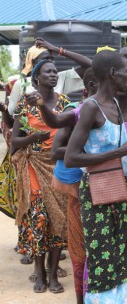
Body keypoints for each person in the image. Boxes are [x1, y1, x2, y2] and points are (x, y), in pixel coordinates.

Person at [63, 50, 127, 302]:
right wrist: (120, 151)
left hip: (123, 190)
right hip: (98, 195)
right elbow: (71, 157)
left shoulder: (118, 107)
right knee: (104, 262)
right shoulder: (91, 108)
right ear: (112, 74)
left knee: (126, 257)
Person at [11, 59, 71, 294]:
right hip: (34, 166)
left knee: (59, 220)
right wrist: (33, 139)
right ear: (36, 79)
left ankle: (53, 273)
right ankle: (39, 271)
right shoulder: (26, 105)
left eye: (55, 72)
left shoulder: (65, 103)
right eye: (48, 72)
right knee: (39, 219)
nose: (54, 75)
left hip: (57, 166)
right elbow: (15, 142)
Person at [48, 68, 97, 303]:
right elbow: (55, 151)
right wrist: (92, 151)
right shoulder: (75, 111)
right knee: (80, 248)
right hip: (80, 189)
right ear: (89, 87)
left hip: (111, 188)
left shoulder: (121, 110)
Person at [8, 38, 91, 116]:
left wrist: (58, 50)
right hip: (31, 131)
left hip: (59, 130)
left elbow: (91, 66)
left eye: (52, 59)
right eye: (46, 59)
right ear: (34, 62)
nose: (50, 62)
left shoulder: (59, 77)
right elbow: (12, 112)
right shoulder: (22, 84)